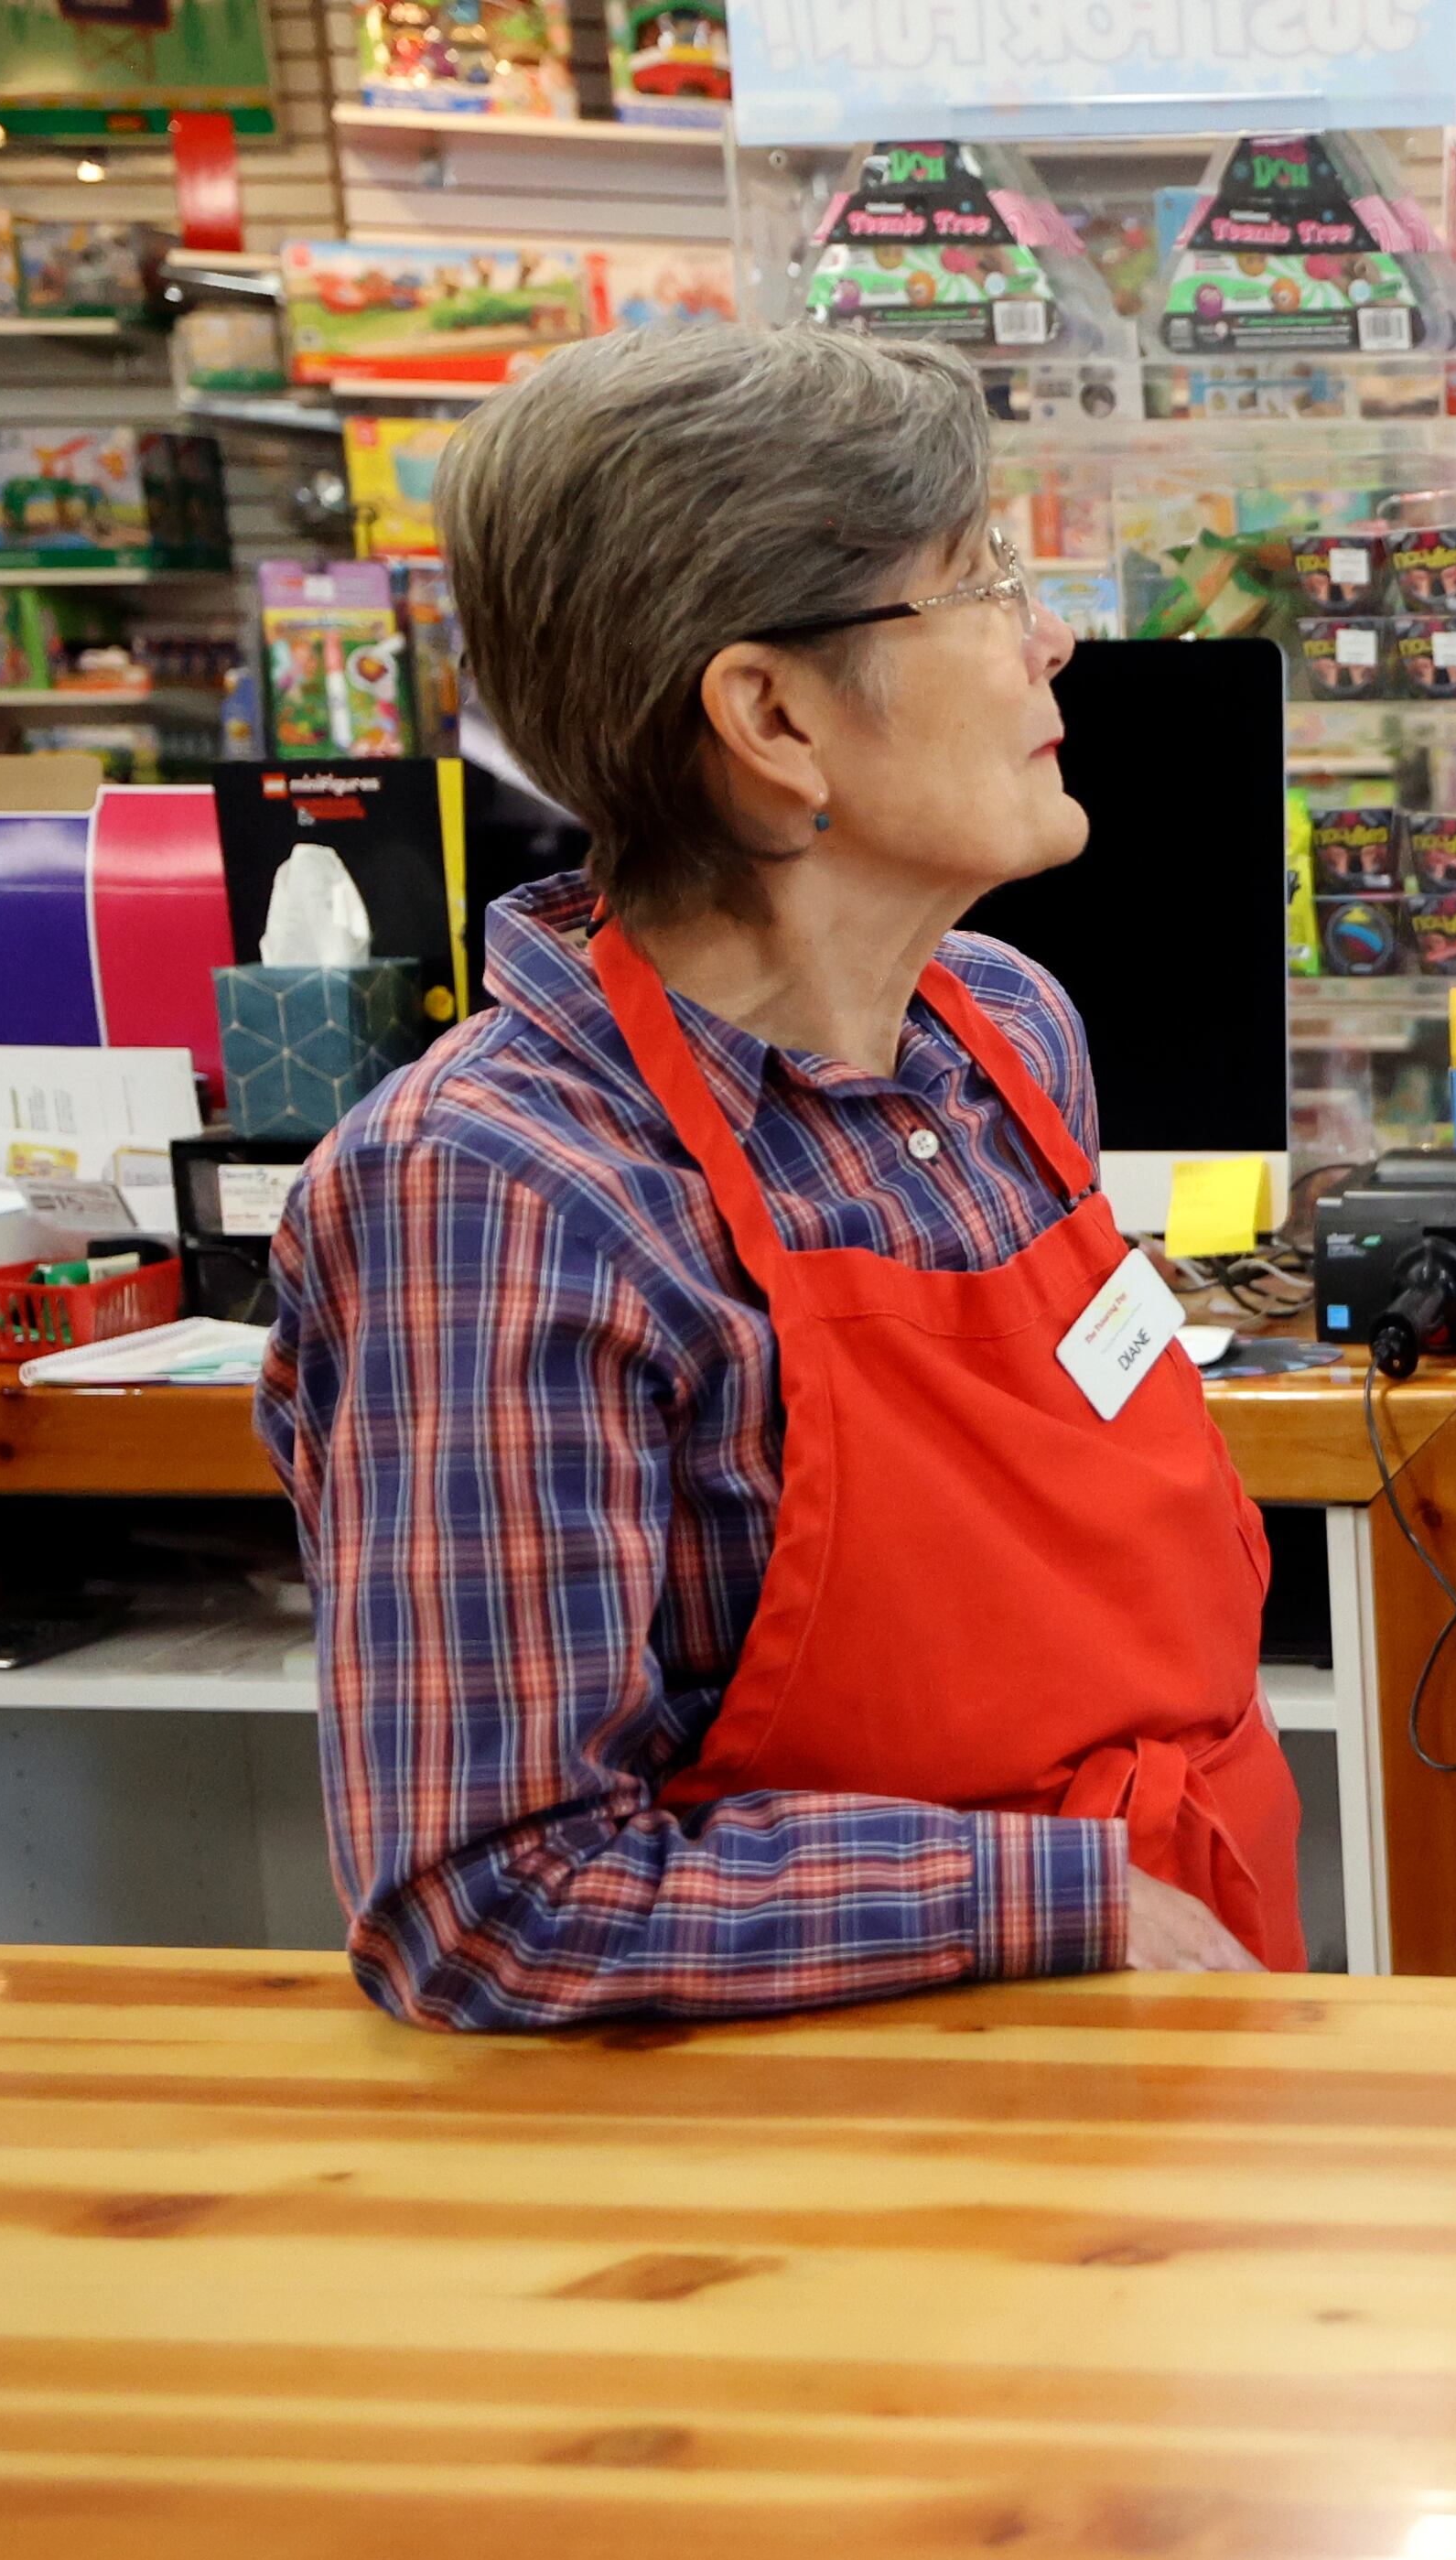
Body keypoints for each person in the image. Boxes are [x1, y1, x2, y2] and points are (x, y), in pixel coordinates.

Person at [255, 322, 1292, 2029]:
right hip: (843, 2163)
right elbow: (494, 1900)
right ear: (773, 717)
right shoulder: (504, 1195)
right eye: (981, 583)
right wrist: (1067, 1893)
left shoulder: (1007, 1039)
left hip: (1186, 2006)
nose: (1058, 637)